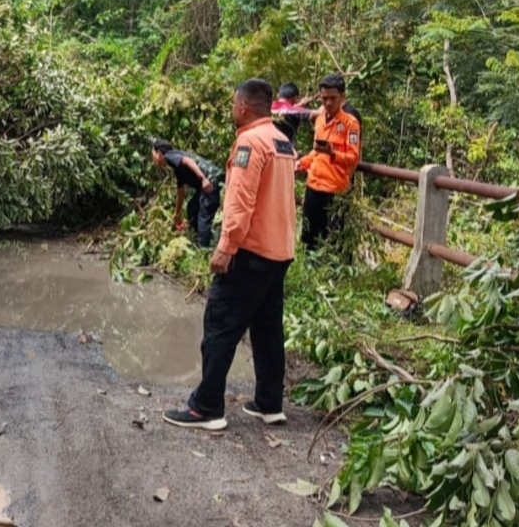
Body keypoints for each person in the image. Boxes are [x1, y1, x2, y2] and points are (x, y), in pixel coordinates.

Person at [163, 78, 297, 431]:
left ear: (242, 106)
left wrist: (225, 248)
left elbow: (240, 203)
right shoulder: (283, 141)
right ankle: (269, 403)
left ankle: (206, 407)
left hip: (250, 252)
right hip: (280, 250)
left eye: (233, 105)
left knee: (220, 325)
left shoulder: (249, 143)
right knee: (268, 330)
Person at [295, 74, 361, 250]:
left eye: (333, 98)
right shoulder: (319, 120)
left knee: (331, 242)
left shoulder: (350, 124)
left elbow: (354, 157)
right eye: (324, 99)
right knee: (308, 239)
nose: (328, 103)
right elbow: (316, 152)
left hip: (334, 191)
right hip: (313, 186)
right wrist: (301, 163)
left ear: (342, 97)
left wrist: (333, 153)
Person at [151, 139, 225, 248]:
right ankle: (196, 239)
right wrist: (177, 214)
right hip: (208, 182)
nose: (153, 159)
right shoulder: (176, 166)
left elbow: (188, 161)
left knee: (203, 216)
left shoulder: (170, 156)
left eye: (153, 155)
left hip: (210, 181)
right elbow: (181, 191)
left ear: (159, 154)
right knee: (192, 206)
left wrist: (203, 179)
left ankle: (203, 250)